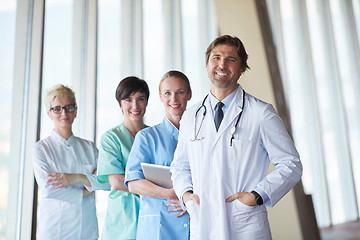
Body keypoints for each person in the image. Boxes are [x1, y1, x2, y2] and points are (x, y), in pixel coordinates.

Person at [170, 35, 303, 239]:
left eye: (231, 59)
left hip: (245, 224)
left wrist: (256, 196)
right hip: (202, 222)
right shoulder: (191, 116)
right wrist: (186, 195)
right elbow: (180, 166)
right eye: (216, 57)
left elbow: (291, 164)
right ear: (207, 65)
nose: (222, 64)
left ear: (241, 69)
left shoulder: (261, 113)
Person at [33, 84, 109, 240]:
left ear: (76, 111)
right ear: (49, 113)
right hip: (56, 229)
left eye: (68, 107)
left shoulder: (89, 147)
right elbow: (49, 189)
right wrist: (87, 190)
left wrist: (76, 178)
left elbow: (108, 181)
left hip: (86, 230)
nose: (64, 113)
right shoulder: (41, 149)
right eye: (57, 109)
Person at [125, 70, 192, 239]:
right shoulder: (147, 137)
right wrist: (170, 193)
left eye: (180, 92)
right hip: (159, 227)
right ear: (160, 96)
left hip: (195, 220)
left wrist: (190, 197)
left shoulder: (200, 136)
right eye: (167, 93)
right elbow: (133, 183)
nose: (174, 99)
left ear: (189, 94)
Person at [96, 76, 149, 239]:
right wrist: (152, 184)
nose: (135, 106)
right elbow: (117, 182)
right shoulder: (111, 138)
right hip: (121, 221)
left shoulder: (154, 136)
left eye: (141, 99)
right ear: (120, 103)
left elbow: (166, 175)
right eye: (128, 100)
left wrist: (132, 177)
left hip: (150, 213)